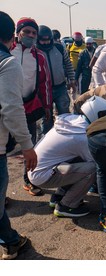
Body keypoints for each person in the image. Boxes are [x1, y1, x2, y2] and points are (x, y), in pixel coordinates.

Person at [28, 96, 106, 217]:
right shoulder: (81, 137)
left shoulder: (73, 121)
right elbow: (98, 165)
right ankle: (67, 205)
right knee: (93, 169)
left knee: (78, 160)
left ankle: (58, 196)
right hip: (42, 175)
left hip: (40, 168)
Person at [0, 11, 37, 260]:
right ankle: (11, 243)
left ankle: (11, 242)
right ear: (13, 36)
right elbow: (12, 109)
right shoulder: (7, 62)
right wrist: (27, 145)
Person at [11, 17, 52, 196]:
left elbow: (44, 84)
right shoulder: (6, 51)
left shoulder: (39, 56)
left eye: (33, 33)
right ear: (18, 32)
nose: (30, 35)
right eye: (26, 31)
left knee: (30, 147)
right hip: (5, 107)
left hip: (27, 107)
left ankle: (29, 180)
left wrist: (47, 107)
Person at [36, 25, 75, 134]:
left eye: (48, 40)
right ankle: (46, 139)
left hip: (61, 87)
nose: (46, 43)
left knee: (65, 115)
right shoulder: (35, 51)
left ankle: (65, 136)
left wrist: (72, 79)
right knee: (46, 118)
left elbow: (68, 64)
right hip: (44, 91)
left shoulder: (59, 48)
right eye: (43, 41)